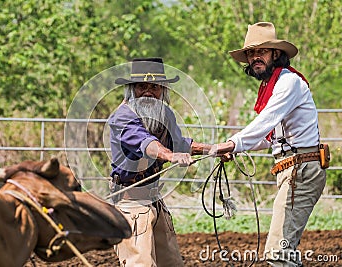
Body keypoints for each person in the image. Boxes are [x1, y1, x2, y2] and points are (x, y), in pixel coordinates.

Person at [213, 22, 326, 266]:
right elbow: (269, 136)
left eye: (261, 52)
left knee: (278, 252)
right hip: (295, 169)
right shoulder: (274, 85)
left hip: (301, 169)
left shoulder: (288, 83)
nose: (255, 58)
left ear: (276, 54)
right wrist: (236, 147)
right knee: (283, 250)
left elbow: (266, 121)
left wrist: (234, 143)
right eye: (251, 54)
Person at [108, 57, 212, 267]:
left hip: (155, 200)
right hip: (131, 205)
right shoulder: (122, 118)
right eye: (142, 86)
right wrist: (170, 156)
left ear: (163, 90)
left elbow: (180, 143)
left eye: (155, 87)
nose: (149, 92)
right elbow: (147, 144)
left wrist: (214, 150)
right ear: (131, 89)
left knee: (172, 264)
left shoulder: (165, 115)